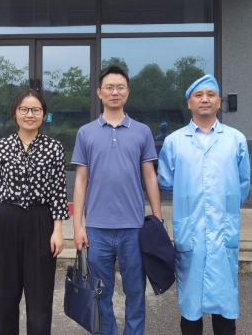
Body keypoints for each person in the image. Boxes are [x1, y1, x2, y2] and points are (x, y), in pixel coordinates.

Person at [72, 65, 163, 335]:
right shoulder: (86, 132)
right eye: (109, 87)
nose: (115, 92)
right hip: (97, 228)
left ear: (127, 92)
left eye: (120, 87)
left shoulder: (142, 131)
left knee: (136, 292)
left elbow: (149, 177)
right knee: (100, 292)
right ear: (99, 93)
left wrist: (157, 220)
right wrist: (77, 226)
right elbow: (81, 180)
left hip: (134, 227)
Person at [157, 74, 250, 335]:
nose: (205, 100)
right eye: (198, 95)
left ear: (219, 102)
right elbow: (166, 182)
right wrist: (192, 195)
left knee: (225, 306)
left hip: (223, 229)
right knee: (191, 306)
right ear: (189, 103)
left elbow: (242, 184)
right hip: (191, 231)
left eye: (210, 95)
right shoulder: (174, 141)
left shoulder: (235, 139)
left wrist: (222, 204)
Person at [0, 88, 70, 335]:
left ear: (44, 114)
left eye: (36, 110)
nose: (30, 114)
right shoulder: (0, 146)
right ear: (15, 113)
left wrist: (58, 231)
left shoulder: (54, 148)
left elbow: (58, 191)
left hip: (41, 221)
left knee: (40, 295)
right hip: (6, 221)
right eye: (24, 109)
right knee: (6, 295)